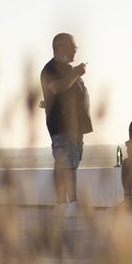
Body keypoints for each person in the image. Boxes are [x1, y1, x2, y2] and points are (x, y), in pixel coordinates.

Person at [40, 32, 93, 210]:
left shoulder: (68, 70)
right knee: (64, 164)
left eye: (76, 48)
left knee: (71, 163)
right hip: (62, 126)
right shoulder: (50, 69)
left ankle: (67, 204)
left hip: (75, 126)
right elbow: (55, 88)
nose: (75, 51)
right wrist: (77, 72)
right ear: (59, 48)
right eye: (72, 47)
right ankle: (67, 204)